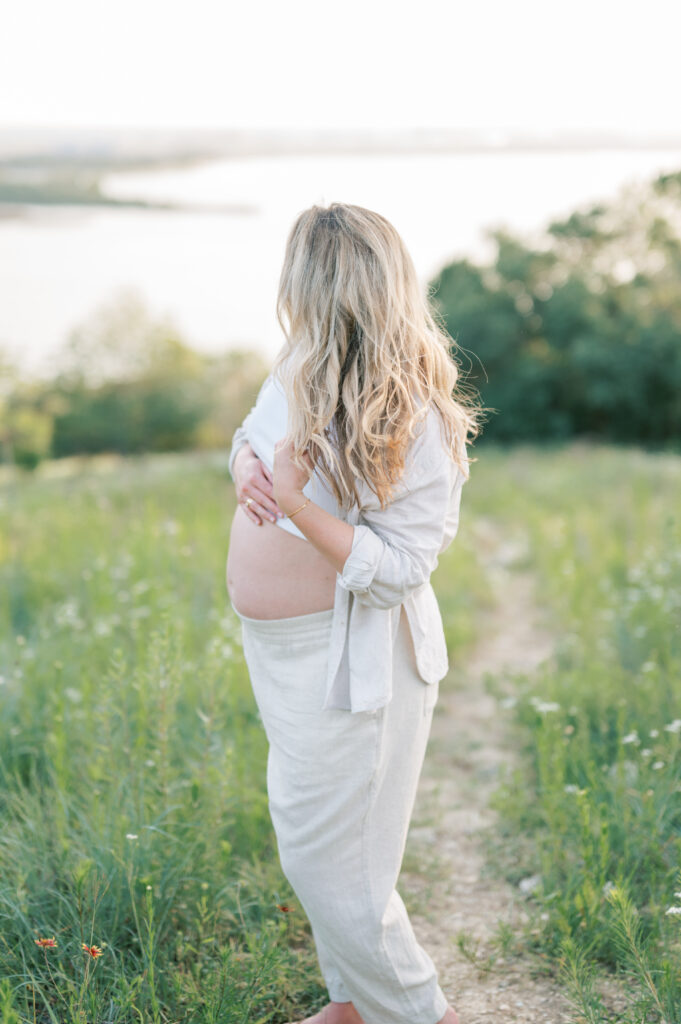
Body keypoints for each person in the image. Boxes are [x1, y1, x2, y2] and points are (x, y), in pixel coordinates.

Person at [226, 202, 481, 1024]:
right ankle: (353, 1008)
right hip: (280, 653)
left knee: (333, 867)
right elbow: (250, 433)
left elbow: (399, 571)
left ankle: (422, 1016)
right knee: (321, 849)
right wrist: (243, 467)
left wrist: (296, 505)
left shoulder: (417, 415)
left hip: (352, 666)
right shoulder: (298, 365)